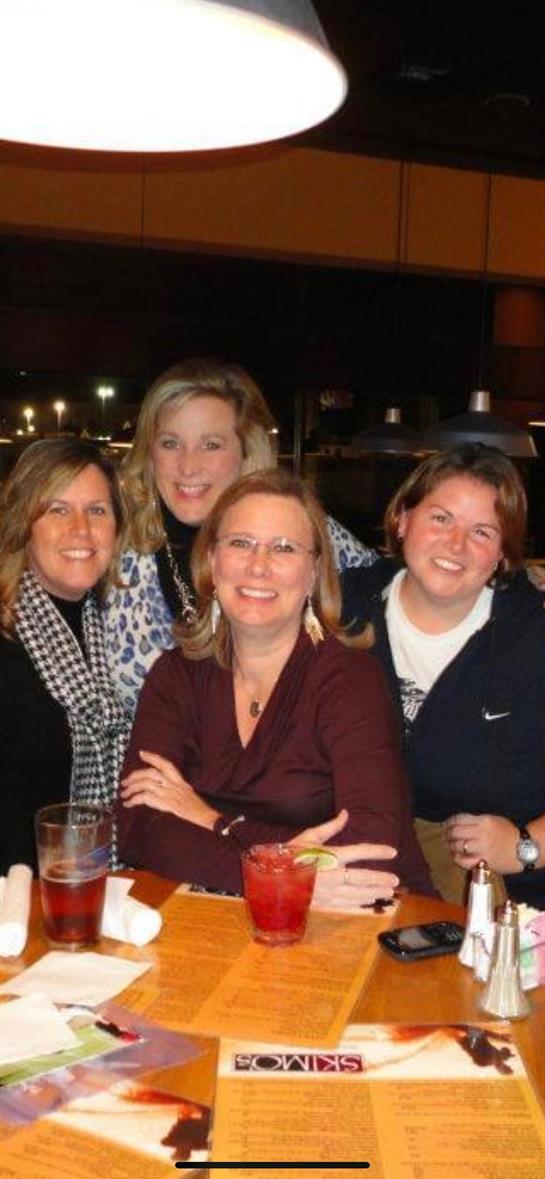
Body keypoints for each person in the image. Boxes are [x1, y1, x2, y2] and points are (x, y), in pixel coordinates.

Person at [117, 469, 432, 907]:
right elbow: (140, 831)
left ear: (313, 572)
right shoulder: (175, 676)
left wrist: (213, 822)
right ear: (211, 561)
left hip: (361, 921)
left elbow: (369, 856)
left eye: (283, 548)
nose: (258, 566)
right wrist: (281, 874)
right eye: (241, 543)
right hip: (228, 911)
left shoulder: (350, 680)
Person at [104, 357, 375, 716]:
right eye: (170, 443)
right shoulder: (114, 543)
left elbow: (390, 604)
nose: (187, 465)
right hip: (146, 768)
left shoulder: (302, 529)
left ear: (246, 449)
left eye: (211, 445)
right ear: (150, 453)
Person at [342, 443, 545, 908]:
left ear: (501, 555)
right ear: (403, 519)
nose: (456, 545)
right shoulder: (340, 611)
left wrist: (524, 846)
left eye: (482, 531)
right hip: (362, 874)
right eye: (441, 518)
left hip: (514, 904)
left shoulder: (533, 635)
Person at [0, 438, 130, 874]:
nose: (81, 529)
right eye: (57, 509)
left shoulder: (119, 635)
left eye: (97, 510)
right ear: (24, 522)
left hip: (91, 896)